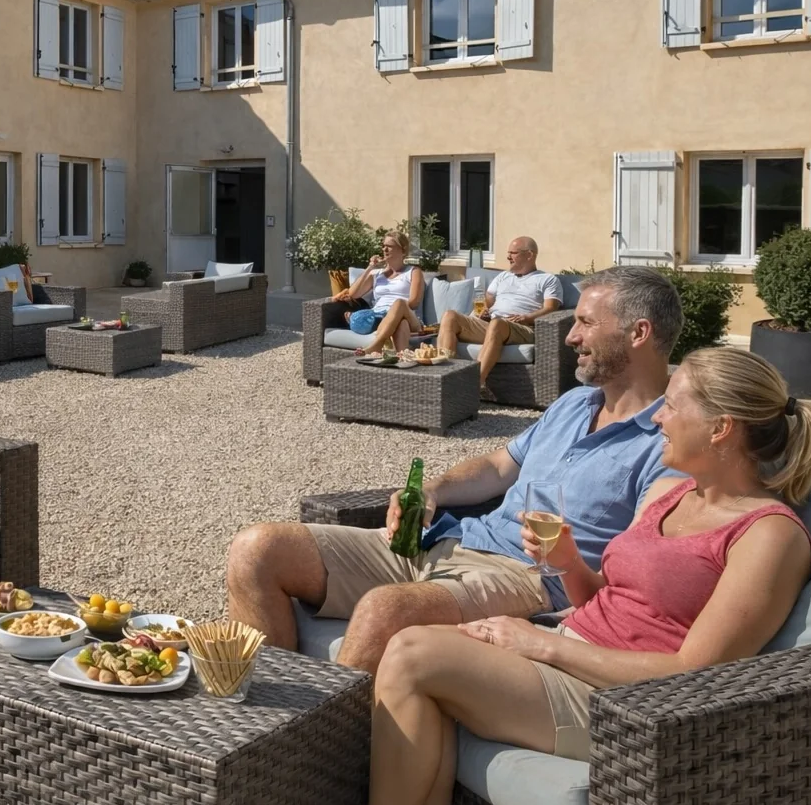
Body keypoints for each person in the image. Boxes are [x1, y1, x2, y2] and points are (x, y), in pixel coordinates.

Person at [365, 346, 811, 805]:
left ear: (720, 428)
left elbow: (696, 670)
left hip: (624, 704)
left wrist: (541, 643)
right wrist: (569, 564)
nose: (660, 421)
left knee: (413, 654)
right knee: (423, 668)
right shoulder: (673, 495)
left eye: (672, 406)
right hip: (570, 651)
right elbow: (608, 600)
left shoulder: (768, 536)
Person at [226, 266, 683, 676]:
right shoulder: (572, 403)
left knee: (385, 610)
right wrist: (433, 492)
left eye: (584, 322)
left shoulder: (670, 443)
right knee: (257, 550)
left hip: (527, 578)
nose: (570, 336)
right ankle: (270, 717)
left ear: (638, 333)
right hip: (455, 539)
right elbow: (496, 466)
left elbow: (637, 567)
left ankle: (320, 747)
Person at [437, 237, 562, 398]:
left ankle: (475, 385)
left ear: (530, 255)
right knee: (449, 316)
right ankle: (447, 378)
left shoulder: (548, 279)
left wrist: (527, 318)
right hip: (495, 325)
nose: (508, 257)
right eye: (508, 253)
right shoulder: (503, 276)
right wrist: (482, 313)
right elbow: (487, 302)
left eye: (513, 253)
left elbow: (551, 308)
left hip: (523, 328)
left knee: (497, 324)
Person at [331, 231, 425, 355]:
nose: (384, 249)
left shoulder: (413, 271)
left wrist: (395, 311)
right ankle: (401, 362)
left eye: (389, 246)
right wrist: (370, 268)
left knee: (399, 304)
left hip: (410, 317)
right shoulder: (377, 274)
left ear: (402, 250)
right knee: (402, 324)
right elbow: (353, 294)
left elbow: (413, 303)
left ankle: (377, 345)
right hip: (380, 319)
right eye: (383, 246)